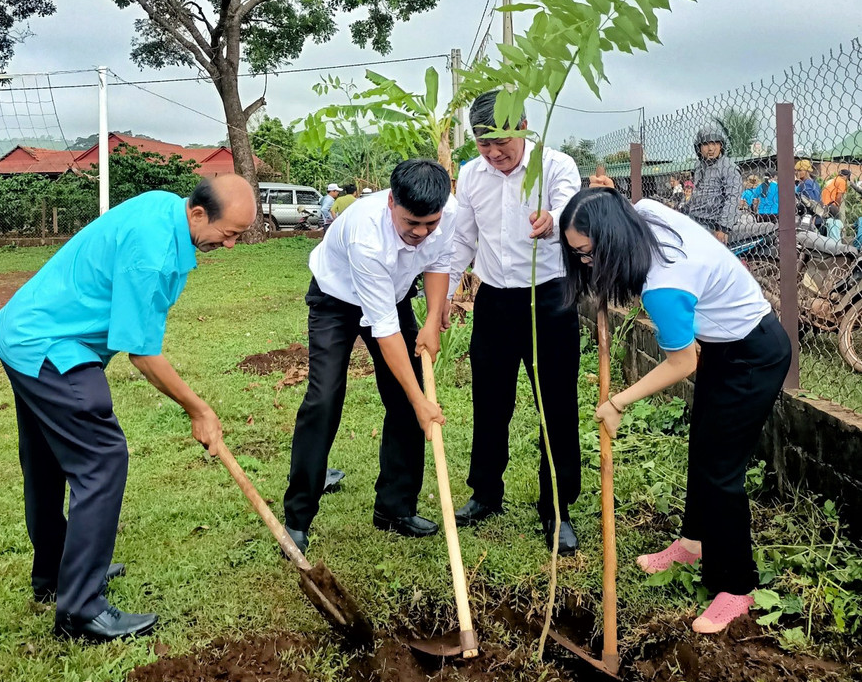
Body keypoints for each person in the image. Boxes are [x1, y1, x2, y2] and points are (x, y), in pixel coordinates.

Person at [0, 176, 257, 642]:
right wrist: (199, 410)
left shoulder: (163, 206)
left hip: (22, 333)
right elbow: (142, 353)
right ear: (198, 214)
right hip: (51, 347)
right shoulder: (151, 255)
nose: (230, 246)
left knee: (49, 463)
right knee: (102, 460)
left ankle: (56, 574)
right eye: (229, 234)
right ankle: (79, 610)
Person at [561, 181, 791, 635]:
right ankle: (692, 542)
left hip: (754, 354)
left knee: (722, 472)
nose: (583, 262)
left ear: (612, 240)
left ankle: (737, 587)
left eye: (588, 254)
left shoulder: (664, 287)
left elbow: (683, 362)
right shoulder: (643, 211)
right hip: (725, 346)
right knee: (703, 449)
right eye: (577, 254)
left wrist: (618, 402)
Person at [283, 159, 455, 553]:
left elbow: (439, 261)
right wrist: (420, 400)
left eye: (430, 223)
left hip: (393, 296)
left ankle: (395, 508)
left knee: (407, 406)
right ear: (391, 201)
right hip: (336, 301)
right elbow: (385, 329)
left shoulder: (447, 214)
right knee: (324, 398)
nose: (421, 232)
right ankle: (297, 518)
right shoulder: (367, 236)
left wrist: (431, 320)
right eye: (412, 223)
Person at [445, 91, 583, 554]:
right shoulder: (470, 175)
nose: (494, 153)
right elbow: (463, 239)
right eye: (485, 145)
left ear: (523, 125)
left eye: (502, 141)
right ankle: (485, 493)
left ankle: (558, 509)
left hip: (550, 300)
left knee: (557, 405)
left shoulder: (557, 165)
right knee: (490, 402)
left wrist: (552, 221)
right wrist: (445, 297)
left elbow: (569, 210)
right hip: (495, 302)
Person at [685, 123, 742, 242]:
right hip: (695, 220)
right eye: (706, 144)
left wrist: (723, 227)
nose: (711, 149)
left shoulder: (728, 167)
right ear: (699, 147)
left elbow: (733, 197)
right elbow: (696, 194)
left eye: (714, 143)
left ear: (721, 145)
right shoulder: (699, 167)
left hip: (714, 224)